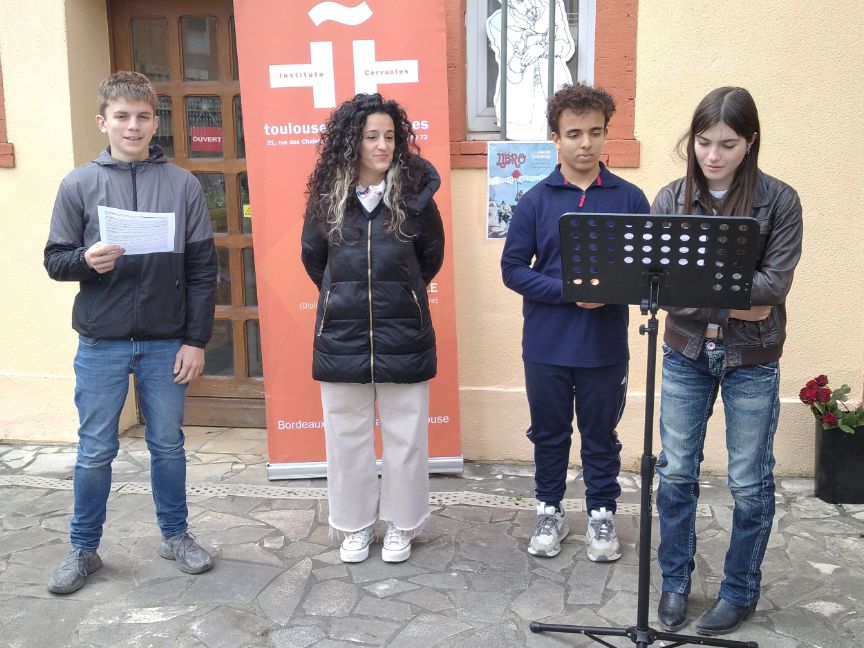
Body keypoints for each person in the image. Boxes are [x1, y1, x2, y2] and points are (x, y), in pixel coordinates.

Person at [43, 71, 217, 594]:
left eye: (143, 116)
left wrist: (196, 339)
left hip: (168, 340)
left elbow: (204, 270)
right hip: (102, 340)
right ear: (103, 122)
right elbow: (54, 260)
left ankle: (176, 536)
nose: (133, 126)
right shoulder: (78, 183)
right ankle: (83, 549)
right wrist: (85, 260)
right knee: (95, 449)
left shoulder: (183, 184)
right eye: (121, 116)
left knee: (168, 445)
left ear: (154, 121)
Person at [652, 87, 803, 636]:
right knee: (675, 475)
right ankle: (674, 582)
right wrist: (732, 292)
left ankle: (739, 591)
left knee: (748, 482)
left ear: (750, 143)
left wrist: (701, 288)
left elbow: (772, 288)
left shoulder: (779, 201)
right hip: (685, 352)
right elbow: (663, 289)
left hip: (753, 356)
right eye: (703, 142)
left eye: (727, 144)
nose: (712, 156)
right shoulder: (670, 199)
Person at [501, 83, 649, 561]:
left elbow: (648, 271)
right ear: (555, 139)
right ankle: (549, 509)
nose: (585, 144)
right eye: (573, 134)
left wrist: (612, 293)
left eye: (595, 132)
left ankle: (602, 515)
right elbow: (513, 269)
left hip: (604, 346)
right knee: (549, 433)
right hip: (546, 344)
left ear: (606, 134)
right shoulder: (535, 200)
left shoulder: (629, 198)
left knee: (601, 434)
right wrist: (569, 293)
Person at [301, 93, 445, 564]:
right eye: (371, 137)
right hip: (341, 335)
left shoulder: (416, 197)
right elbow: (314, 260)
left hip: (403, 332)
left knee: (406, 437)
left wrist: (398, 294)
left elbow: (430, 259)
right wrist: (348, 297)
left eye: (389, 136)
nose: (382, 146)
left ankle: (402, 525)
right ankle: (356, 526)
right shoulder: (327, 198)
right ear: (352, 142)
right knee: (346, 436)